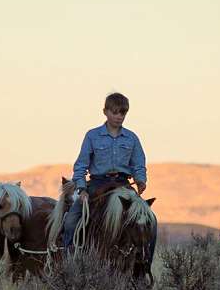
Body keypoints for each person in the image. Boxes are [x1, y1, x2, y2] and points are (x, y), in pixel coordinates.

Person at [62, 92, 157, 265]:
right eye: (115, 112)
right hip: (97, 184)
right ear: (105, 111)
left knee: (151, 219)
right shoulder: (92, 136)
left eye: (122, 113)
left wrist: (141, 179)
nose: (119, 116)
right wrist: (82, 189)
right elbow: (81, 166)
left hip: (123, 184)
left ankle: (144, 265)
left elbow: (138, 164)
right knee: (71, 220)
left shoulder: (131, 137)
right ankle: (69, 262)